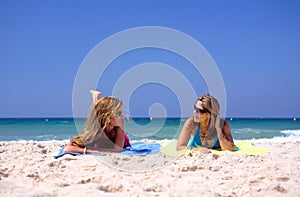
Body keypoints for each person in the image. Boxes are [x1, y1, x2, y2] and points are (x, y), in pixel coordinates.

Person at [63, 90, 131, 154]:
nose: (122, 117)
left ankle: (95, 97)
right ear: (108, 115)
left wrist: (96, 150)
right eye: (118, 113)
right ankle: (95, 98)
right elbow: (67, 149)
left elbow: (117, 150)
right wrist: (89, 151)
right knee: (96, 114)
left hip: (113, 139)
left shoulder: (119, 125)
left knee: (97, 112)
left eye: (121, 113)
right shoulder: (94, 131)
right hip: (100, 124)